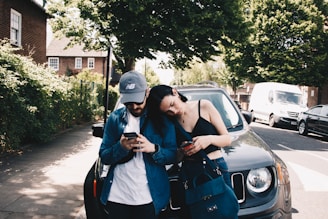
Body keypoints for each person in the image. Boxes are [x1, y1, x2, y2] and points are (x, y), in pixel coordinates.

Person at [147, 84, 235, 218]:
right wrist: (182, 152)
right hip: (190, 173)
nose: (173, 111)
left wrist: (209, 140)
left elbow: (227, 139)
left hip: (216, 167)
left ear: (175, 93)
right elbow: (174, 156)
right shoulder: (170, 123)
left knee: (226, 211)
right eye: (168, 111)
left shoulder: (204, 106)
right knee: (197, 214)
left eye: (172, 104)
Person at [98, 71, 177, 219]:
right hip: (117, 196)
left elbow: (174, 155)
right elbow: (104, 156)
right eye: (128, 102)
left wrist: (153, 149)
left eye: (138, 101)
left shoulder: (161, 119)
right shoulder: (115, 118)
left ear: (147, 92)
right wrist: (120, 148)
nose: (134, 106)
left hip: (147, 196)